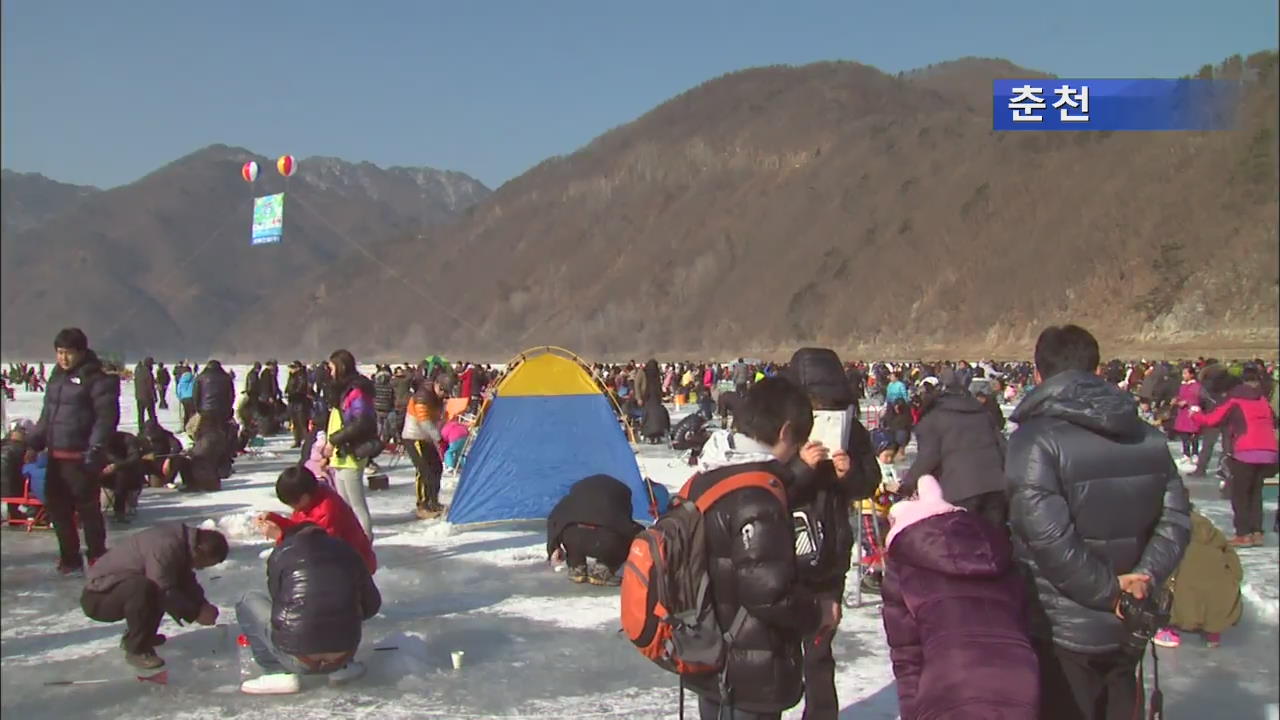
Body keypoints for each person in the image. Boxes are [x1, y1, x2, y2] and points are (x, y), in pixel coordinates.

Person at [1006, 325, 1190, 720]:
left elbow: (1047, 539)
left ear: (1037, 375)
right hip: (1131, 617)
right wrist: (1143, 578)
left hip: (1063, 625)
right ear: (1097, 368)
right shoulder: (1148, 436)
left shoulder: (1034, 441)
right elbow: (1175, 519)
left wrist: (1111, 593)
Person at [687, 377, 840, 720]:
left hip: (708, 653)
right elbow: (767, 593)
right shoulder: (756, 497)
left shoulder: (710, 474)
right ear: (786, 431)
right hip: (748, 672)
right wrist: (818, 611)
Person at [881, 475, 1038, 719]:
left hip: (951, 680)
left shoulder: (902, 561)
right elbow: (1024, 620)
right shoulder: (993, 549)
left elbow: (907, 654)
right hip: (1020, 675)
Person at [785, 347, 881, 720]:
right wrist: (801, 467)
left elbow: (867, 483)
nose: (821, 405)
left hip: (829, 555)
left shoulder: (851, 428)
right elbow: (766, 488)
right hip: (784, 552)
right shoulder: (783, 427)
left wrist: (848, 473)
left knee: (820, 651)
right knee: (776, 652)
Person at [236, 522, 381, 694]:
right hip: (343, 655)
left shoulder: (282, 553)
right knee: (344, 602)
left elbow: (277, 599)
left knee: (247, 600)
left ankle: (276, 671)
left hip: (298, 657)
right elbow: (372, 605)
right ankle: (342, 669)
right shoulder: (348, 551)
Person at [26, 328, 121, 573]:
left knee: (88, 510)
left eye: (68, 353)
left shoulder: (97, 378)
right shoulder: (57, 378)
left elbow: (105, 418)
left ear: (81, 352)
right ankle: (69, 557)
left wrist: (96, 448)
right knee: (58, 511)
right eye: (59, 353)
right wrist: (33, 443)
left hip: (81, 457)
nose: (63, 358)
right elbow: (47, 416)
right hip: (56, 457)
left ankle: (97, 555)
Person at [80, 523, 227, 669]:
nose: (199, 567)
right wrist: (195, 613)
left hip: (118, 589)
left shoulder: (182, 544)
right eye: (202, 564)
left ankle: (143, 636)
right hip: (99, 597)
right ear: (200, 550)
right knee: (147, 587)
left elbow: (184, 580)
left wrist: (202, 604)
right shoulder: (166, 546)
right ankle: (137, 649)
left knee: (159, 585)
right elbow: (162, 588)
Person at [900, 368, 1008, 530]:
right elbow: (1003, 447)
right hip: (996, 487)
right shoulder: (982, 413)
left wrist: (907, 485)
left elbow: (928, 458)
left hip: (960, 489)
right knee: (995, 543)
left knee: (965, 544)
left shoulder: (933, 418)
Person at [1189, 366, 1278, 547]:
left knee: (1240, 494)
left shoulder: (1235, 401)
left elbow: (1212, 420)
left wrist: (1195, 414)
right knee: (1255, 492)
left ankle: (1243, 534)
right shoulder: (1261, 399)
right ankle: (1256, 532)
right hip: (1269, 451)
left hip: (1246, 450)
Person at [258, 466, 376, 574]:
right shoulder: (311, 498)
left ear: (304, 497)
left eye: (292, 504)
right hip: (336, 564)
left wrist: (280, 537)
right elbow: (299, 527)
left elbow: (312, 549)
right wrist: (275, 519)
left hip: (352, 569)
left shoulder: (326, 511)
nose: (293, 508)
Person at [1153, 509, 1241, 649]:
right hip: (1220, 604)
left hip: (1185, 600)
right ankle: (1213, 633)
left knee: (1164, 580)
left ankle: (1168, 631)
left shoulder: (1172, 534)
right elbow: (1236, 567)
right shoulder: (1214, 535)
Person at [546, 474, 644, 585]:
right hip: (603, 542)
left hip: (573, 539)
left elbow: (554, 519)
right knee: (624, 539)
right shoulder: (615, 500)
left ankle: (577, 567)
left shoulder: (573, 498)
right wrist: (642, 533)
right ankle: (603, 570)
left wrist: (553, 547)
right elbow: (626, 527)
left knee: (572, 530)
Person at [323, 349, 377, 538]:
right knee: (344, 506)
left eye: (332, 368)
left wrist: (335, 439)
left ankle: (365, 543)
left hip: (352, 451)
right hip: (340, 453)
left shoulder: (357, 390)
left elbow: (362, 422)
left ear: (341, 367)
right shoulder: (342, 390)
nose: (330, 373)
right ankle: (350, 542)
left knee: (356, 504)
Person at [402, 383, 445, 519]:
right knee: (424, 471)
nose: (444, 394)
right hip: (414, 437)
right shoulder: (422, 396)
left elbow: (437, 418)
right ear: (437, 385)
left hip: (426, 438)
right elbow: (424, 421)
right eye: (443, 390)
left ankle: (433, 500)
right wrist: (438, 438)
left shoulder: (437, 398)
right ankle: (422, 505)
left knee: (436, 468)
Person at [100, 430, 146, 522]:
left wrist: (116, 466)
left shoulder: (128, 439)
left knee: (122, 475)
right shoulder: (96, 439)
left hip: (126, 475)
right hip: (103, 473)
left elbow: (134, 457)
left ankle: (120, 512)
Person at [285, 361, 313, 449]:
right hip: (293, 402)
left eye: (292, 367)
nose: (290, 369)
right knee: (295, 422)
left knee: (302, 423)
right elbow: (289, 386)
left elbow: (301, 388)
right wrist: (287, 392)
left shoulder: (302, 376)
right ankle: (297, 440)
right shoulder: (291, 376)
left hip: (300, 402)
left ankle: (307, 441)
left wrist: (293, 394)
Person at [133, 357, 157, 431]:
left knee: (140, 415)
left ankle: (141, 429)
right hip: (148, 396)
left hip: (139, 396)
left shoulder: (138, 371)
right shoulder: (148, 373)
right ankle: (154, 429)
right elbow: (150, 386)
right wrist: (154, 396)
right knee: (152, 415)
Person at [175, 364, 196, 428]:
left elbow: (178, 389)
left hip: (184, 398)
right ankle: (192, 426)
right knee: (192, 413)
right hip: (192, 397)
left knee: (186, 412)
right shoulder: (193, 379)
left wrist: (180, 397)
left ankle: (185, 426)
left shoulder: (181, 380)